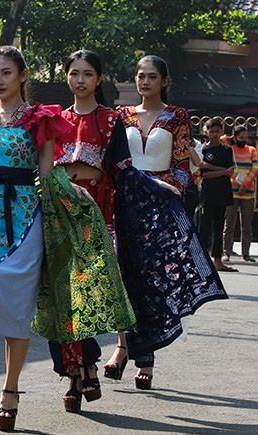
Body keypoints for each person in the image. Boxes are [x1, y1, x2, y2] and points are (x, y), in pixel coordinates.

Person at [0, 45, 71, 433]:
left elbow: (49, 173)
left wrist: (76, 193)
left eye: (6, 73)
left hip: (25, 219)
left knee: (17, 310)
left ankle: (10, 389)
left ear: (23, 76)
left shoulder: (39, 119)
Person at [109, 55, 228, 389]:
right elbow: (117, 159)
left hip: (159, 203)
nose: (144, 82)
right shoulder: (122, 115)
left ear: (164, 80)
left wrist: (171, 189)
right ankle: (121, 348)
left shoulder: (178, 116)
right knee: (121, 272)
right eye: (140, 76)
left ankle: (146, 357)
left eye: (151, 77)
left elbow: (181, 161)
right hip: (126, 202)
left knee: (151, 279)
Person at [35, 49, 136, 413]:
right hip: (59, 214)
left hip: (96, 214)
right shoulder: (53, 120)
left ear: (99, 79)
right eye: (74, 73)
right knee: (59, 293)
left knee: (87, 292)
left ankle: (85, 367)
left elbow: (124, 171)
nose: (80, 80)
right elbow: (43, 171)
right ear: (66, 77)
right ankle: (78, 370)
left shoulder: (112, 121)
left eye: (88, 74)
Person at [198, 118, 236, 272]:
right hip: (207, 195)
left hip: (223, 194)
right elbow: (204, 174)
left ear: (221, 132)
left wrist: (212, 168)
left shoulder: (226, 150)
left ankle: (218, 261)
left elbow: (231, 172)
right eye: (211, 131)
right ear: (205, 131)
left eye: (217, 131)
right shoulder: (203, 150)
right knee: (204, 227)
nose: (214, 134)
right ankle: (201, 260)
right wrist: (222, 171)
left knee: (219, 227)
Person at [222, 125, 257, 262]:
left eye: (246, 138)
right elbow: (220, 140)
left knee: (246, 225)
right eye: (241, 137)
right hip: (232, 192)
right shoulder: (230, 149)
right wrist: (228, 139)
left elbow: (255, 168)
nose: (244, 140)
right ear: (235, 137)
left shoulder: (252, 150)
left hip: (248, 193)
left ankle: (246, 253)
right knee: (229, 224)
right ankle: (227, 252)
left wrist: (246, 184)